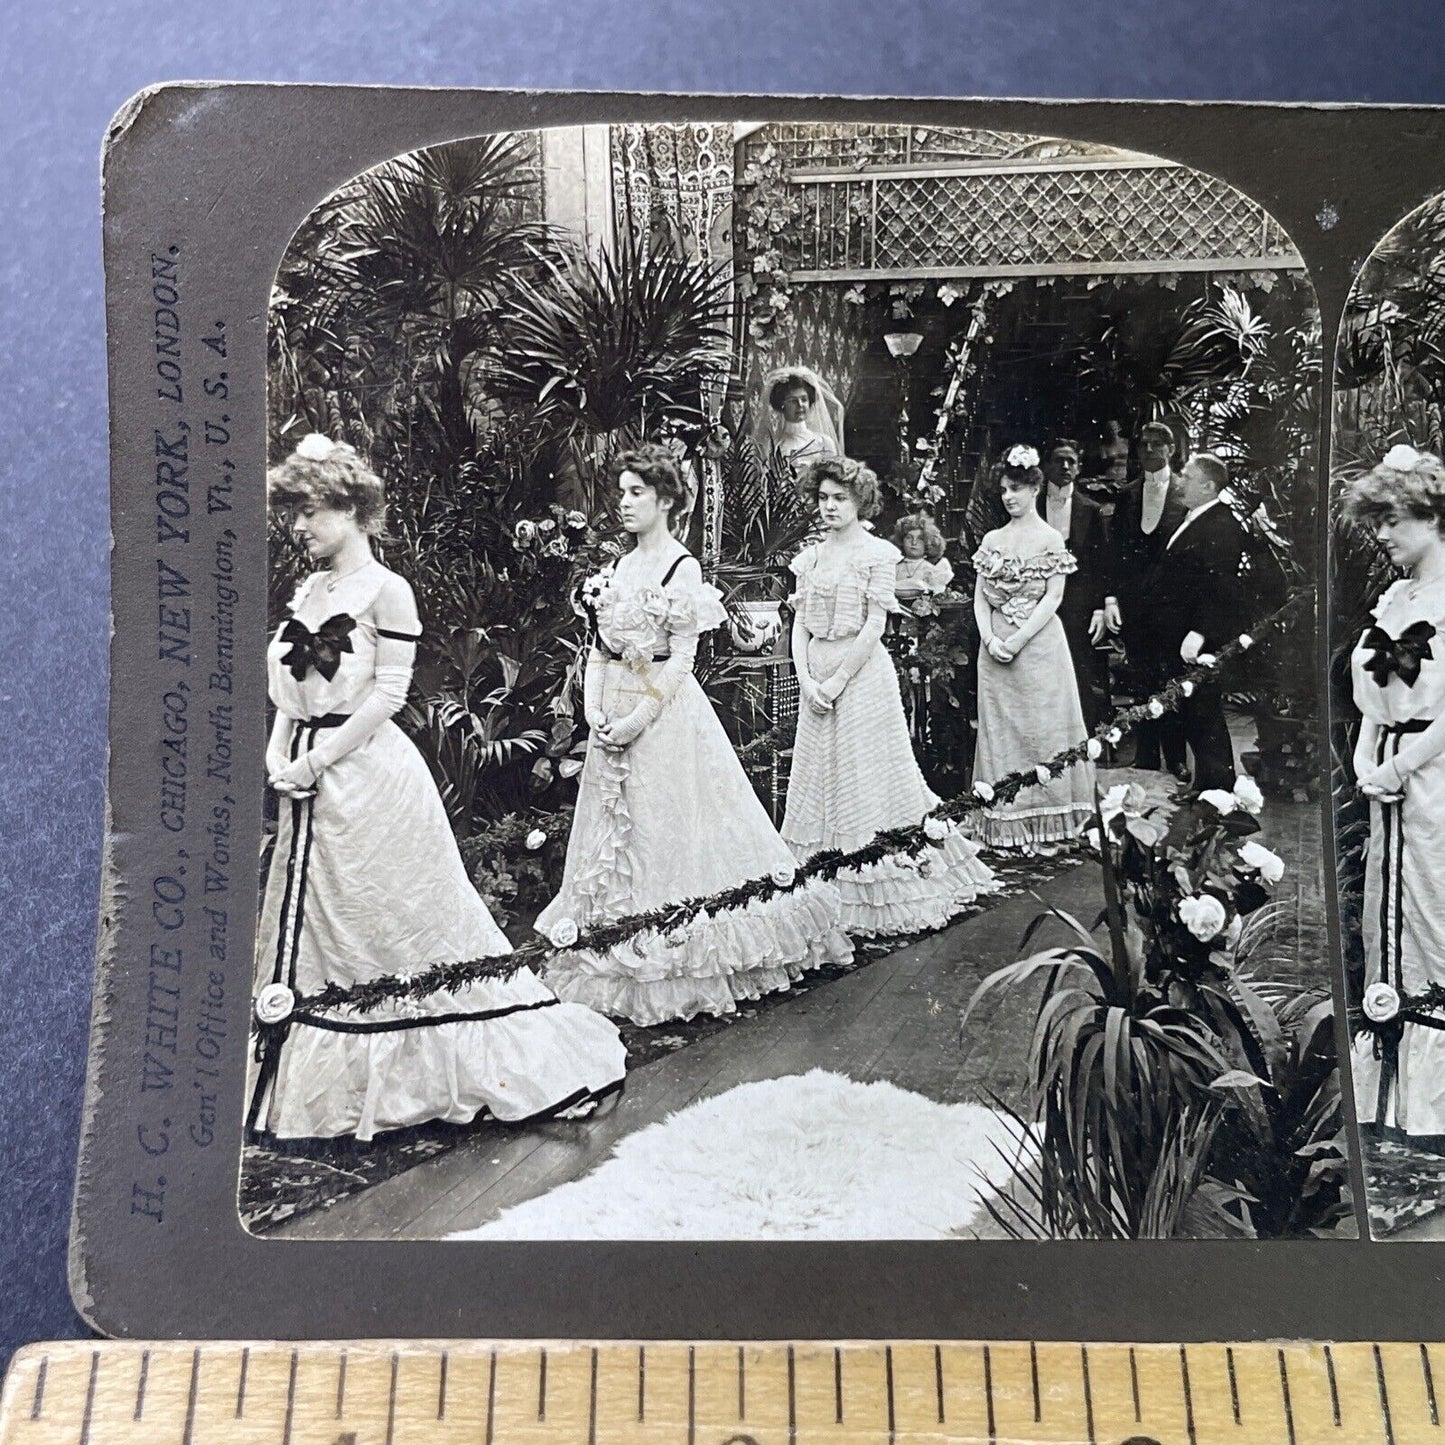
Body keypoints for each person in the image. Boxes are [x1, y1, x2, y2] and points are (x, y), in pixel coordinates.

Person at [251, 436, 627, 1142]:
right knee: (321, 928)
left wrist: (317, 758)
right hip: (307, 774)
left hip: (365, 776)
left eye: (309, 512)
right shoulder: (310, 589)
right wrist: (280, 752)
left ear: (354, 508)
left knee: (386, 919)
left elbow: (388, 694)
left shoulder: (387, 590)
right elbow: (291, 689)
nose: (298, 527)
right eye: (293, 514)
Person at [539, 445, 852, 1025]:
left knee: (669, 834)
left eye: (638, 492)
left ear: (665, 499)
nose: (625, 502)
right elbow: (602, 650)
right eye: (622, 491)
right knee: (616, 835)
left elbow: (681, 659)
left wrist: (635, 721)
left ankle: (683, 956)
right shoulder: (615, 569)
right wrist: (593, 709)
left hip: (664, 718)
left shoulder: (681, 568)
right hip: (612, 715)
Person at [782, 456, 997, 934]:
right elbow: (799, 624)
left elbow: (875, 623)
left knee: (863, 775)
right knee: (819, 772)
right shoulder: (811, 556)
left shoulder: (877, 553)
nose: (830, 507)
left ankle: (873, 877)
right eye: (823, 498)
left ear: (861, 502)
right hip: (816, 671)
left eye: (841, 498)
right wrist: (807, 678)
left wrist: (837, 681)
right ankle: (819, 877)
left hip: (860, 677)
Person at [1346, 445, 1445, 1151]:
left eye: (1391, 520)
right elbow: (1372, 697)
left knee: (1434, 908)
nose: (1380, 535)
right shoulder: (1394, 596)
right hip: (1382, 772)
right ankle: (1392, 1099)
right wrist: (1364, 756)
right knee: (1385, 916)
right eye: (1375, 521)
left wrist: (1404, 762)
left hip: (1433, 771)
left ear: (1432, 516)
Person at [966, 445, 1096, 852]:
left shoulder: (1050, 539)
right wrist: (990, 640)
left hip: (1038, 647)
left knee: (1044, 730)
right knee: (1001, 733)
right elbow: (980, 599)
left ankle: (1049, 816)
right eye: (1005, 489)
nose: (1010, 497)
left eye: (1018, 489)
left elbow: (1053, 597)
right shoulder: (991, 539)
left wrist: (1018, 640)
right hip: (996, 651)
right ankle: (1005, 818)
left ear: (1035, 490)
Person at [1140, 451, 1267, 792]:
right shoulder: (1194, 517)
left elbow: (1220, 588)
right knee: (1192, 712)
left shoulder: (1221, 526)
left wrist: (1199, 633)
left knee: (1202, 711)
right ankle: (1207, 787)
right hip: (1175, 632)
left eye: (1187, 477)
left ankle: (1218, 790)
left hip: (1193, 637)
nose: (1179, 481)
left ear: (1209, 486)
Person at [1115, 419, 1190, 777]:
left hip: (1174, 609)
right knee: (1141, 680)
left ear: (1171, 450)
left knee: (1172, 680)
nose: (1147, 451)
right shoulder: (1127, 494)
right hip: (1137, 610)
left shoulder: (1184, 493)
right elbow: (1117, 553)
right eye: (1142, 445)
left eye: (1156, 445)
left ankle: (1175, 757)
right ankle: (1145, 755)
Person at [1038, 438, 1113, 732]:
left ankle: (1081, 737)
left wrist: (1098, 608)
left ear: (1079, 468)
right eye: (1059, 460)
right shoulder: (1031, 505)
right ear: (1046, 467)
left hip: (1077, 605)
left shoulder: (1091, 510)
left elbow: (1100, 563)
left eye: (1071, 461)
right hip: (1037, 599)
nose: (1065, 466)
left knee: (1079, 666)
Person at [753, 366, 844, 473]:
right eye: (793, 401)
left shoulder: (824, 443)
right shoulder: (774, 446)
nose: (800, 405)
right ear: (782, 404)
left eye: (804, 399)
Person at [891, 513, 954, 611]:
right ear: (901, 540)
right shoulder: (894, 567)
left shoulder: (932, 570)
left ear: (928, 543)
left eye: (920, 539)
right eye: (909, 537)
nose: (914, 543)